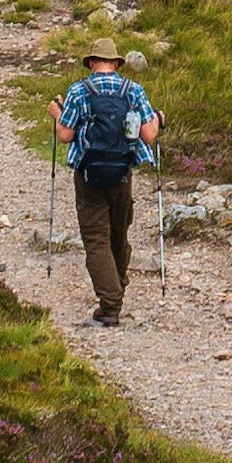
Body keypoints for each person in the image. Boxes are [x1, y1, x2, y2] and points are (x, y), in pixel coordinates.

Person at [53, 38, 159, 325]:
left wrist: (56, 114)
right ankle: (116, 283)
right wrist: (159, 119)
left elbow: (65, 135)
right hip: (122, 173)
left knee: (96, 238)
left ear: (91, 62)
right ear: (116, 63)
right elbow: (149, 135)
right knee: (118, 233)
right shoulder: (133, 90)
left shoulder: (78, 91)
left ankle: (110, 305)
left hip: (88, 175)